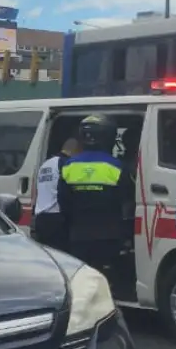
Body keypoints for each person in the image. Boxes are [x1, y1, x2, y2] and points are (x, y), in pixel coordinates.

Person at [58, 114, 132, 279]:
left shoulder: (69, 165)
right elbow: (126, 200)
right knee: (103, 278)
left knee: (79, 276)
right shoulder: (117, 166)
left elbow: (63, 200)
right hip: (109, 234)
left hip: (78, 234)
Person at [31, 138, 80, 253]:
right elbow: (66, 191)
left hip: (41, 218)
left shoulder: (45, 164)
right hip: (57, 218)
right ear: (76, 150)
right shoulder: (65, 164)